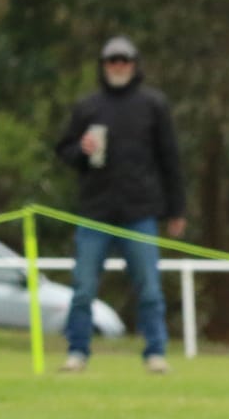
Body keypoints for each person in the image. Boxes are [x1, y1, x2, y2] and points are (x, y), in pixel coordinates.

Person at [53, 35, 187, 374]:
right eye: (112, 60)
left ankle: (155, 353)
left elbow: (170, 159)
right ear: (103, 66)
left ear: (134, 65)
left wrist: (176, 209)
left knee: (149, 289)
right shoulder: (87, 106)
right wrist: (81, 151)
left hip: (140, 212)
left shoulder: (153, 105)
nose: (118, 66)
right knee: (83, 289)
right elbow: (64, 151)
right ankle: (77, 352)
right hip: (95, 212)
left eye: (124, 60)